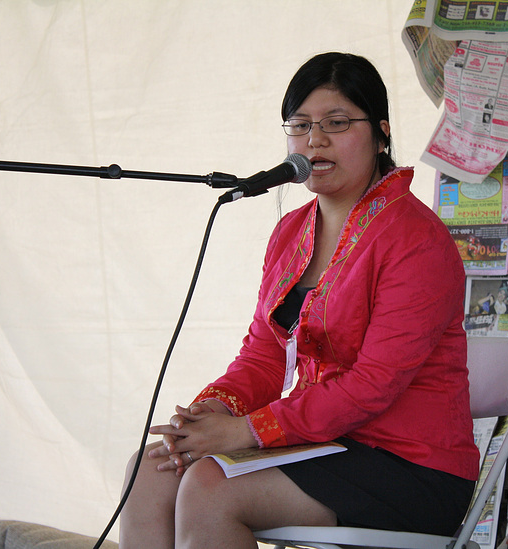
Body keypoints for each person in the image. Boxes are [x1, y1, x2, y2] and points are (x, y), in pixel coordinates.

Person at [119, 52, 478, 549]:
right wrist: (210, 413)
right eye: (301, 125)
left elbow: (372, 385)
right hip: (324, 445)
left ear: (382, 132)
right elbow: (265, 353)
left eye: (337, 123)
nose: (315, 140)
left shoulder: (416, 239)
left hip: (410, 466)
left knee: (210, 490)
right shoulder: (291, 231)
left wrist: (248, 431)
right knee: (150, 469)